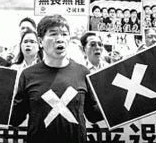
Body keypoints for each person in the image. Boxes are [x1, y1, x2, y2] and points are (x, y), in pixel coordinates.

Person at [10, 14, 102, 143]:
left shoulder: (83, 73)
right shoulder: (28, 75)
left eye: (64, 34)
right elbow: (16, 118)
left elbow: (93, 115)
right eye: (53, 34)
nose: (60, 39)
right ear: (40, 41)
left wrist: (115, 100)